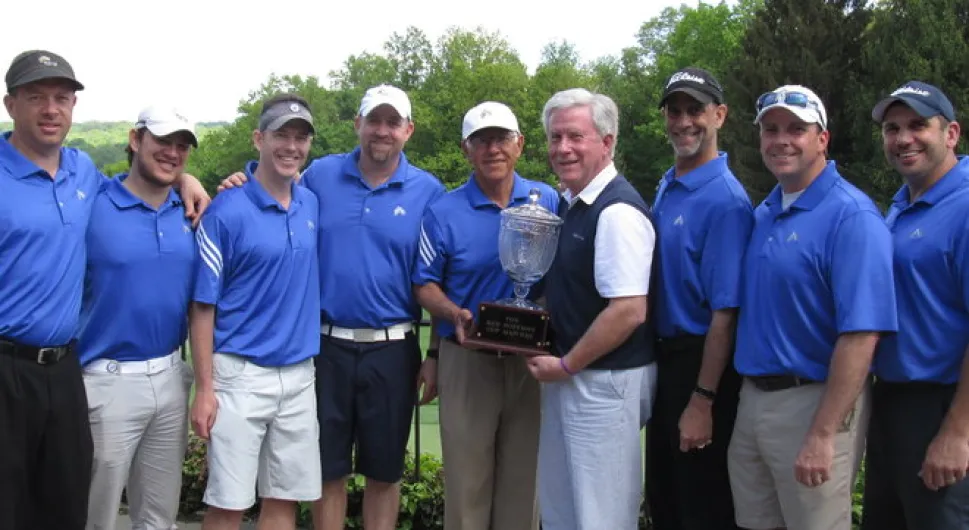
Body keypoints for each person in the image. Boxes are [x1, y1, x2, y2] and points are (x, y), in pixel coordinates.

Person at [217, 84, 445, 530]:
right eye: (373, 120)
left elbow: (435, 278)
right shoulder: (320, 175)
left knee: (384, 472)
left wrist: (434, 353)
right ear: (358, 124)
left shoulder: (428, 191)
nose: (382, 131)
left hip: (393, 348)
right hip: (325, 348)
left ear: (408, 130)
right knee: (326, 471)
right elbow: (270, 188)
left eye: (392, 122)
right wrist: (232, 180)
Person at [0, 49, 208, 530]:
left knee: (67, 502)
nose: (51, 109)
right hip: (36, 370)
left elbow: (154, 182)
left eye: (62, 98)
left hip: (71, 371)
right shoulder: (93, 192)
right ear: (12, 105)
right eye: (37, 97)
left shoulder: (81, 174)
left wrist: (187, 180)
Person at [727, 84, 897, 530]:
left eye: (796, 129)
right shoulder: (765, 211)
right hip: (753, 401)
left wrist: (823, 434)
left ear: (822, 138)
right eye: (771, 129)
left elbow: (862, 335)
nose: (781, 139)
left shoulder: (853, 217)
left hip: (814, 403)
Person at [413, 101, 556, 530]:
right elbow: (424, 283)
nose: (493, 149)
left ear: (520, 144)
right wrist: (452, 313)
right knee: (466, 487)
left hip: (529, 363)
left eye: (501, 139)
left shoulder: (547, 200)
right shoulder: (443, 210)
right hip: (468, 359)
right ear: (466, 149)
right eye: (481, 140)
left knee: (523, 486)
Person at [527, 87, 658, 530]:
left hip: (603, 383)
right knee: (564, 510)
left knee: (601, 516)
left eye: (575, 137)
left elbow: (628, 311)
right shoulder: (573, 205)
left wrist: (566, 365)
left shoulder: (616, 211)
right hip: (577, 377)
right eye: (555, 137)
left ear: (607, 142)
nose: (562, 148)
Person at [190, 94, 322, 530]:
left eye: (301, 137)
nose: (292, 146)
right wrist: (205, 388)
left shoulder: (310, 203)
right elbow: (202, 306)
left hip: (299, 376)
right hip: (239, 376)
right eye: (281, 134)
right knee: (228, 504)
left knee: (284, 500)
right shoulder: (225, 212)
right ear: (258, 138)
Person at [78, 106, 199, 530]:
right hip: (106, 380)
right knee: (98, 515)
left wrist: (189, 182)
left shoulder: (190, 212)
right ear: (135, 140)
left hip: (170, 377)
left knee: (158, 517)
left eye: (182, 146)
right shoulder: (93, 202)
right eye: (163, 141)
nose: (172, 153)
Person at [646, 67, 752, 530]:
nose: (684, 121)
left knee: (700, 507)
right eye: (675, 111)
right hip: (664, 364)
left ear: (720, 115)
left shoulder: (726, 201)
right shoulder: (667, 185)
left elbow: (724, 315)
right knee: (665, 500)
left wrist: (703, 399)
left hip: (701, 368)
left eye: (696, 110)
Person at [862, 81, 969, 530]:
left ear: (951, 133)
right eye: (892, 128)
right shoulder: (902, 206)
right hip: (891, 404)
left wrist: (958, 432)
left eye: (918, 125)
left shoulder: (964, 206)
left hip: (941, 406)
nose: (903, 138)